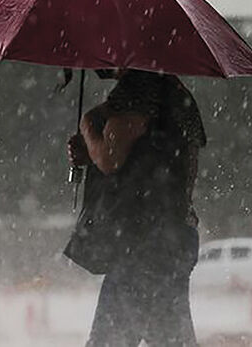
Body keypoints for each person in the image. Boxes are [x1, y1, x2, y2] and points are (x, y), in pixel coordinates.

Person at [67, 68, 206, 347]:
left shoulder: (140, 86)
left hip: (142, 244)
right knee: (171, 339)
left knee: (110, 341)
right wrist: (93, 148)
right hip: (172, 238)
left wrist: (88, 128)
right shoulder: (174, 91)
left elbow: (110, 158)